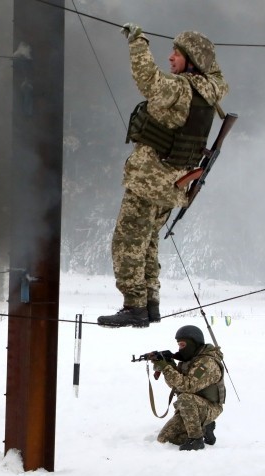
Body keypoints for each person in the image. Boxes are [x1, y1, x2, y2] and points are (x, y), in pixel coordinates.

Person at [98, 24, 229, 328]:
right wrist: (197, 46)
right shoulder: (212, 89)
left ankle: (134, 305)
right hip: (173, 186)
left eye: (177, 54)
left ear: (192, 61)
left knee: (127, 241)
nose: (170, 58)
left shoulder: (181, 89)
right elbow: (216, 73)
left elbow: (148, 80)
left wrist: (137, 42)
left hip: (150, 182)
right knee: (148, 241)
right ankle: (150, 303)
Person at [150, 325, 225, 451]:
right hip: (191, 408)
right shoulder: (190, 360)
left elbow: (188, 386)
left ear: (193, 343)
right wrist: (168, 366)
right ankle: (205, 427)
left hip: (209, 407)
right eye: (179, 345)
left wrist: (166, 368)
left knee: (185, 397)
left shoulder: (207, 363)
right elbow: (175, 386)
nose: (180, 348)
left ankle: (196, 439)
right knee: (165, 438)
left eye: (183, 345)